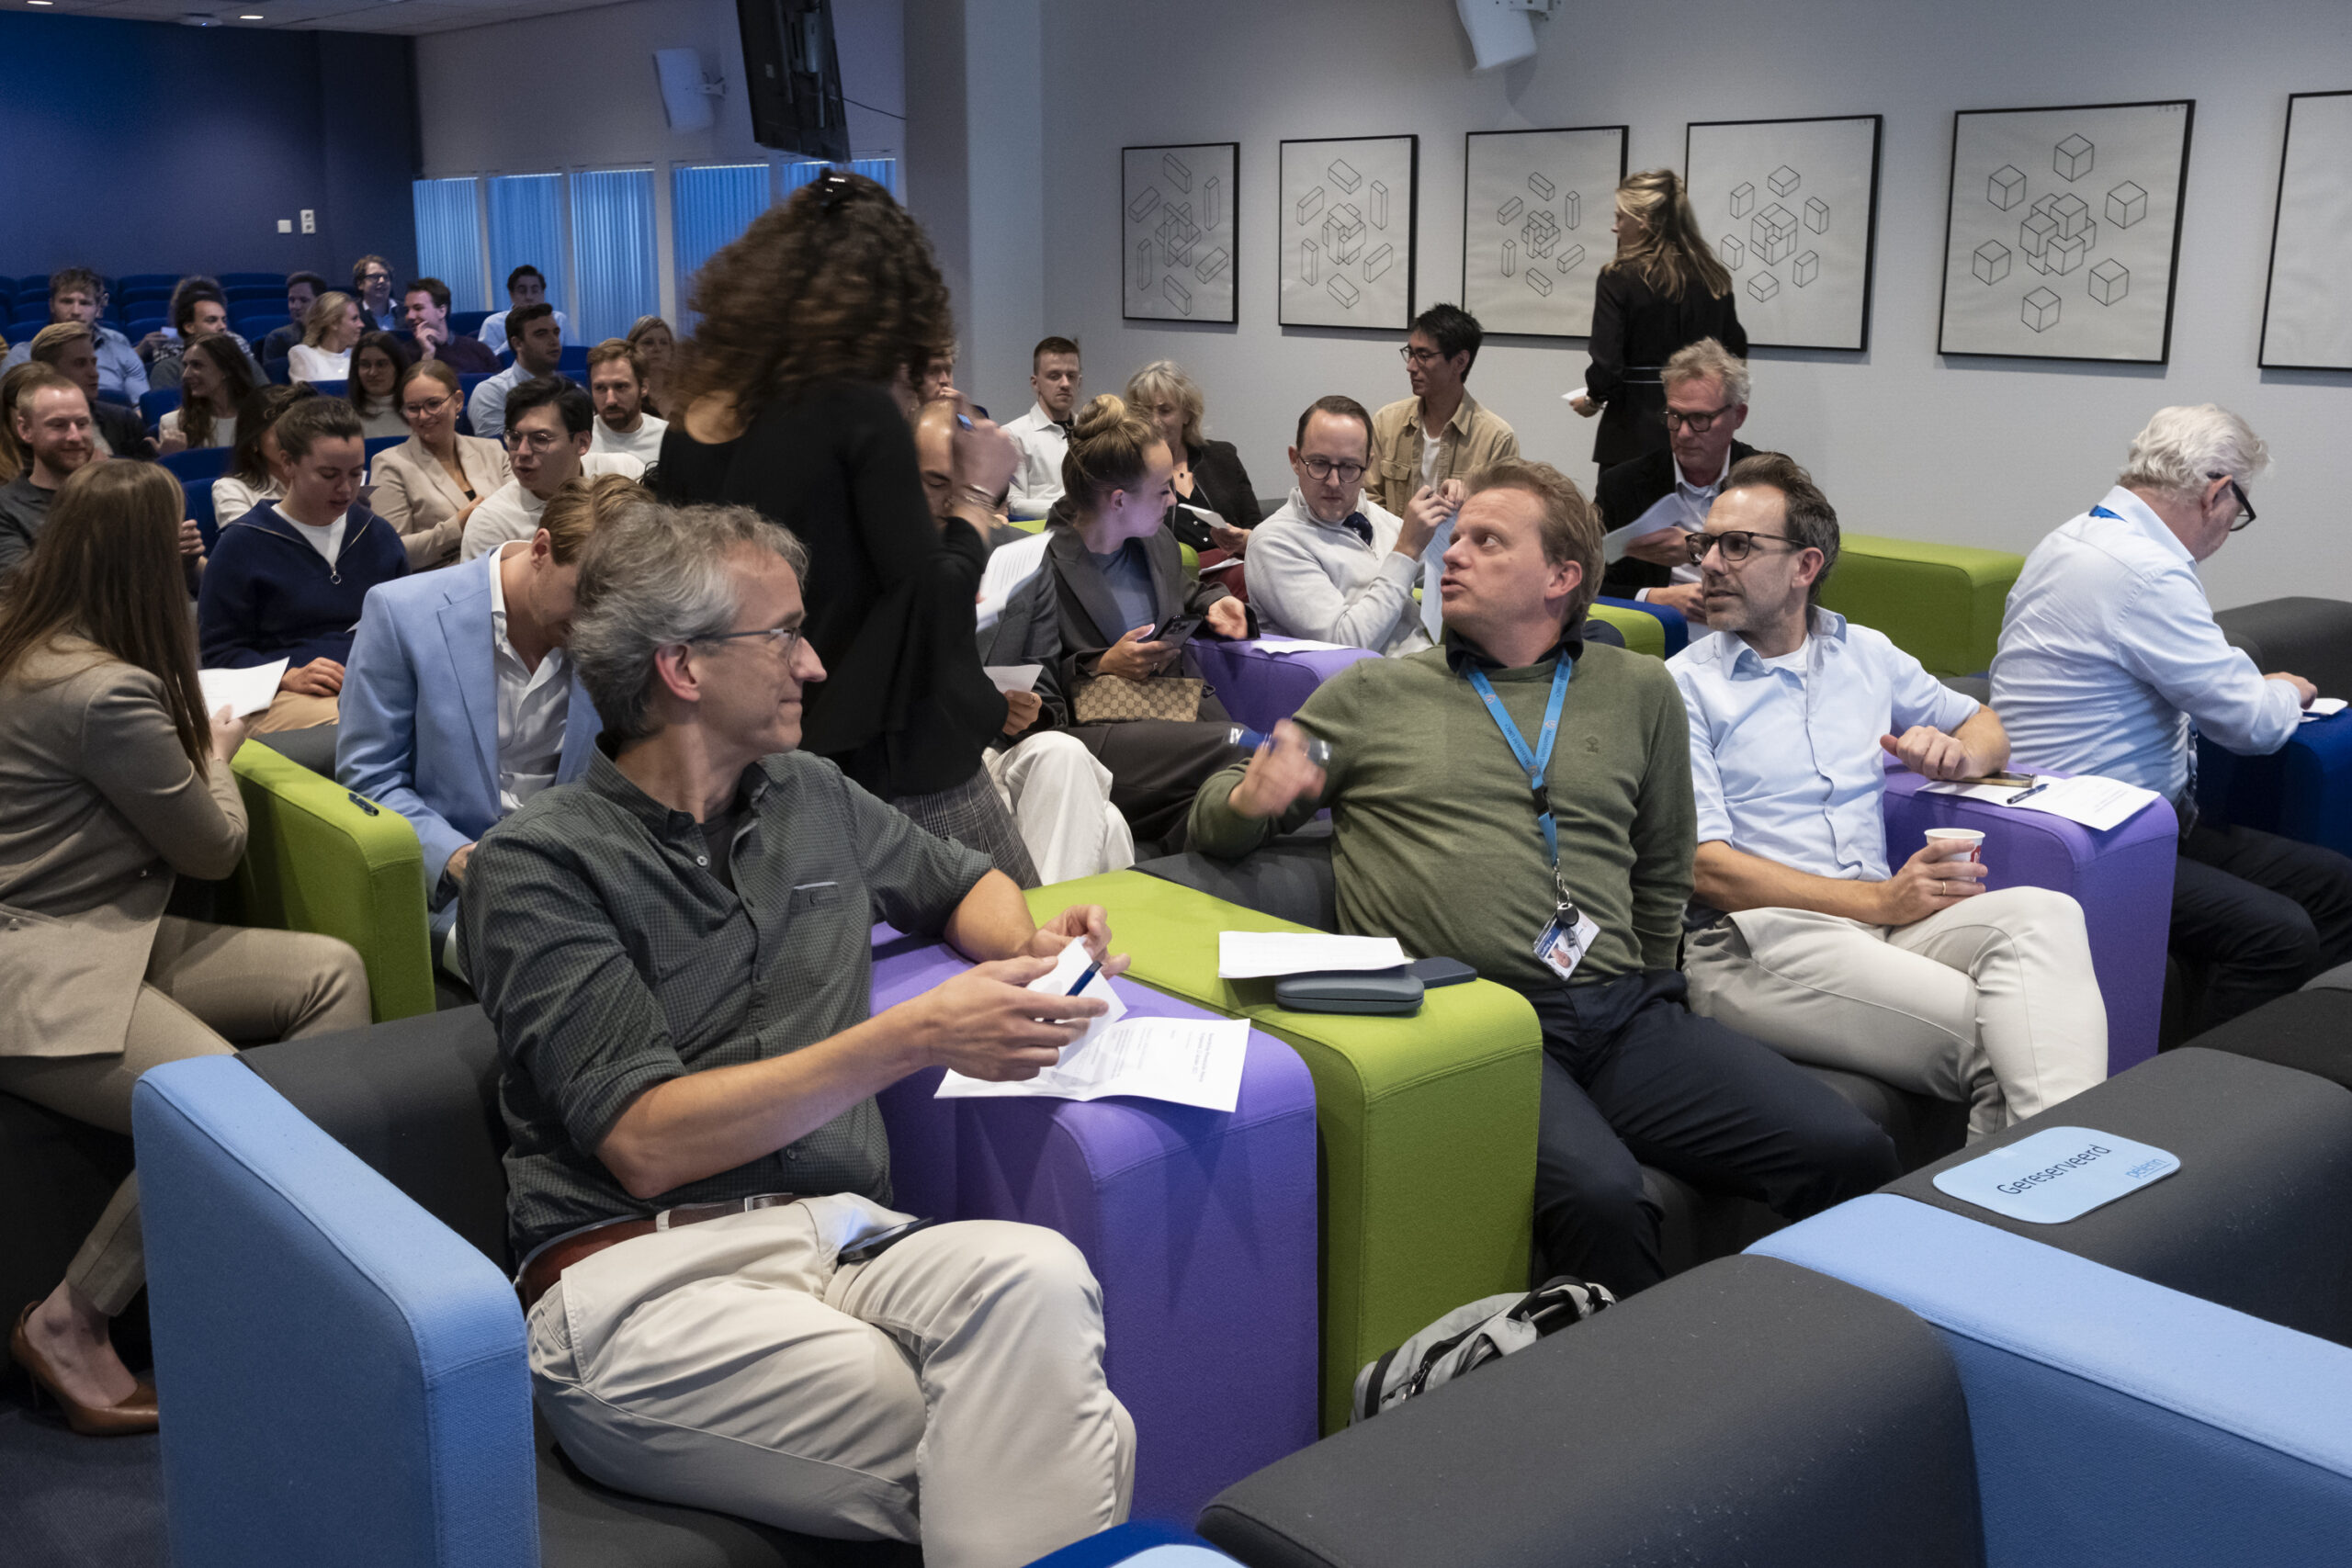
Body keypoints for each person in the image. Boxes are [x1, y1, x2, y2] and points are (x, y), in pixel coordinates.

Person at [456, 499, 1133, 1563]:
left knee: (1038, 1274)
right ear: (682, 667)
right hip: (641, 1277)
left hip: (843, 1237)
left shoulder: (810, 792)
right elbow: (646, 1141)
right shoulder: (541, 864)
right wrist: (916, 1036)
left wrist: (1031, 943)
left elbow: (961, 883)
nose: (813, 665)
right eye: (783, 636)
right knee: (1057, 1429)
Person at [1189, 458, 1896, 1297]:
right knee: (1605, 1197)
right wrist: (1251, 796)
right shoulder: (1371, 695)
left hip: (1626, 1013)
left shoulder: (1638, 688)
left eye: (1488, 541)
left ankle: (1829, 1350)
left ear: (1561, 577)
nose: (1453, 553)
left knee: (1851, 1148)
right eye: (1457, 538)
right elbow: (1216, 815)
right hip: (1479, 1019)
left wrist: (1651, 978)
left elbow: (1663, 861)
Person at [0, 460, 368, 1437]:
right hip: (37, 962)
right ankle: (68, 1321)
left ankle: (293, 1257)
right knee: (226, 1116)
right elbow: (214, 845)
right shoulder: (102, 690)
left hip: (102, 930)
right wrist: (215, 749)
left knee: (330, 975)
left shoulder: (30, 642)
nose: (190, 550)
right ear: (142, 560)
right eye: (175, 539)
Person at [1669, 454, 2107, 1137]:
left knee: (2045, 915)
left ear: (1805, 565)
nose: (1710, 564)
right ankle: (2057, 1185)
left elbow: (1985, 722)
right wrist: (1878, 902)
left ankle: (2053, 1181)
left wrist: (1961, 754)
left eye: (1737, 545)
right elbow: (1707, 869)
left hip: (1878, 924)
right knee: (2017, 1041)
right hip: (1758, 939)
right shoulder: (1683, 687)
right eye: (1705, 544)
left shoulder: (1864, 653)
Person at [655, 169, 1039, 885]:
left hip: (751, 754)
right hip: (894, 756)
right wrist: (976, 494)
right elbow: (931, 607)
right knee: (1026, 936)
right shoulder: (855, 411)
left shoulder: (692, 425)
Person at [1993, 405, 2352, 1031]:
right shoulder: (2146, 573)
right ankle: (2204, 1081)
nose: (2231, 526)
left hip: (2100, 813)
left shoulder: (2074, 537)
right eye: (2239, 511)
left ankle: (2290, 1055)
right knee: (2279, 936)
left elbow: (2194, 680)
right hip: (2094, 835)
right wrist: (2286, 691)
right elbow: (2251, 725)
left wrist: (2243, 686)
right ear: (2217, 493)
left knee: (2336, 885)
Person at [340, 473, 637, 966]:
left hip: (580, 875)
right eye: (585, 596)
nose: (597, 622)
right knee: (560, 966)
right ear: (541, 550)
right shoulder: (402, 613)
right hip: (452, 889)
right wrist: (457, 858)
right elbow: (369, 779)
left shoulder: (616, 629)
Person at [914, 400, 1136, 883]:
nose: (953, 504)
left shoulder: (1021, 558)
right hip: (927, 774)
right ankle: (1053, 928)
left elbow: (1048, 692)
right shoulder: (885, 565)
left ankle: (1040, 926)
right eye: (935, 483)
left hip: (1000, 753)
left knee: (1062, 752)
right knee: (1110, 826)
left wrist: (1027, 711)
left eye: (968, 487)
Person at [1037, 395, 1255, 853]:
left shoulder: (1156, 543)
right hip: (1097, 728)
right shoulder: (1042, 565)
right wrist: (1100, 665)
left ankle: (1166, 867)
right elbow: (1031, 686)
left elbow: (1185, 590)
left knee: (1223, 799)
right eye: (1161, 490)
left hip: (1171, 713)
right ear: (1119, 500)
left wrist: (1216, 601)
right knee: (1245, 747)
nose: (1173, 499)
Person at [197, 397, 409, 732]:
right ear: (288, 463)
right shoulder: (242, 545)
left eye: (356, 473)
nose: (346, 489)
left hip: (372, 681)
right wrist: (286, 675)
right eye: (328, 474)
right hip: (286, 694)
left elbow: (404, 627)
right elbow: (221, 654)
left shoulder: (375, 532)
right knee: (371, 725)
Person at [1569, 171, 1747, 471]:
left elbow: (1608, 365)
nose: (1615, 227)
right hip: (1702, 432)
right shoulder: (1713, 277)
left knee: (1625, 502)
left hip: (1632, 431)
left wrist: (1593, 400)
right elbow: (1735, 353)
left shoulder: (1618, 277)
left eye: (1620, 217)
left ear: (1643, 221)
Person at [1248, 395, 1443, 657]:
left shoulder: (1376, 518)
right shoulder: (1275, 542)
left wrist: (1461, 518)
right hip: (1366, 677)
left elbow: (1447, 575)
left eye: (1349, 467)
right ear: (1295, 459)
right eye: (1319, 464)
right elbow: (1345, 644)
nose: (1333, 482)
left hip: (1426, 662)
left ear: (1368, 466)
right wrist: (1405, 551)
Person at [1595, 338, 1761, 625]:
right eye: (1674, 416)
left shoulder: (1766, 481)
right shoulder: (1623, 485)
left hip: (1746, 627)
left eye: (1700, 418)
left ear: (1738, 415)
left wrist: (1698, 549)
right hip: (1660, 632)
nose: (1683, 433)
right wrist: (1653, 598)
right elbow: (1584, 579)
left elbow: (1791, 567)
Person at [462, 377, 645, 562]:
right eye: (515, 438)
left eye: (540, 439)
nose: (522, 452)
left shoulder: (625, 472)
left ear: (582, 442)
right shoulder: (491, 522)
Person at [1369, 303, 1520, 518]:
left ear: (1460, 362)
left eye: (1423, 356)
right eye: (1410, 353)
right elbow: (1369, 499)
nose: (1410, 366)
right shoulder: (1387, 422)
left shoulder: (1496, 439)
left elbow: (1501, 516)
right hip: (1394, 538)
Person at [371, 360, 512, 570]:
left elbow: (520, 512)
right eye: (413, 408)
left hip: (506, 568)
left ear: (458, 401)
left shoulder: (492, 450)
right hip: (443, 579)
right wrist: (456, 528)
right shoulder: (390, 464)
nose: (423, 415)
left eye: (433, 404)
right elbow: (391, 550)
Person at [0, 369, 97, 577]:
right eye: (58, 425)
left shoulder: (116, 493)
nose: (75, 436)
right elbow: (20, 585)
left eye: (82, 424)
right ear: (25, 430)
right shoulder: (6, 506)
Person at [0, 268, 147, 403]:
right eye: (67, 301)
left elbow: (140, 407)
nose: (75, 311)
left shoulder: (123, 353)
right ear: (52, 306)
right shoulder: (20, 356)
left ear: (98, 309)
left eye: (85, 303)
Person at [28, 324, 152, 461]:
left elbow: (149, 471)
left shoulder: (125, 420)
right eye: (80, 364)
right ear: (49, 371)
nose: (94, 373)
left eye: (93, 362)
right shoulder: (31, 428)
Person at [210, 383, 315, 526]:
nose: (296, 441)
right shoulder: (232, 489)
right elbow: (245, 539)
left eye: (303, 430)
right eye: (283, 433)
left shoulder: (323, 480)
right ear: (254, 441)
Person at [468, 302, 565, 443]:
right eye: (541, 334)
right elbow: (497, 449)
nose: (554, 341)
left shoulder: (572, 390)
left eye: (556, 333)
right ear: (517, 343)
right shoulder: (491, 392)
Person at [143, 279, 264, 392]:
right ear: (190, 327)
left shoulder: (246, 363)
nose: (222, 326)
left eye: (224, 320)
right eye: (211, 320)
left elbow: (268, 401)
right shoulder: (169, 369)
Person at [1004, 337, 1083, 508]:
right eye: (1054, 376)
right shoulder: (1014, 434)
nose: (1065, 384)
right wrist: (1073, 510)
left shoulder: (1091, 431)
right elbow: (1013, 503)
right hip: (1043, 523)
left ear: (1079, 382)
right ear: (1035, 383)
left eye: (1071, 376)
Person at [155, 334, 254, 455]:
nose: (185, 375)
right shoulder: (173, 425)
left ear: (226, 370)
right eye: (185, 366)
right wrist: (174, 458)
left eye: (197, 365)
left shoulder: (261, 418)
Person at [586, 340, 669, 466]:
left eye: (620, 387)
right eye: (600, 388)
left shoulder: (667, 439)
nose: (610, 400)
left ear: (644, 387)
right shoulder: (579, 441)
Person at [400, 277, 501, 374]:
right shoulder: (403, 355)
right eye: (406, 310)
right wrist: (427, 354)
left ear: (442, 311)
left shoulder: (478, 350)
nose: (409, 316)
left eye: (418, 308)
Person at [477, 265, 567, 355]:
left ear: (543, 294)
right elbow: (485, 361)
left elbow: (572, 355)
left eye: (535, 291)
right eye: (522, 291)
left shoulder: (559, 319)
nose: (529, 297)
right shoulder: (493, 324)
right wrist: (519, 337)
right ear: (511, 295)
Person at [346, 332, 414, 439]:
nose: (372, 372)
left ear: (398, 368)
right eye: (365, 365)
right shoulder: (343, 417)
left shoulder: (418, 413)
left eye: (381, 364)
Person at [288, 291, 365, 385]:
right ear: (333, 323)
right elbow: (310, 393)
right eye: (354, 319)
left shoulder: (360, 355)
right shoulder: (303, 354)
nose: (361, 325)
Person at [258, 272, 326, 367]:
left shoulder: (335, 335)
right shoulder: (278, 339)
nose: (295, 306)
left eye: (304, 300)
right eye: (292, 300)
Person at [626, 315, 675, 417]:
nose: (657, 348)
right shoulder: (626, 395)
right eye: (648, 342)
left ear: (672, 350)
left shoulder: (683, 395)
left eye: (664, 343)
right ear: (632, 349)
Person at [351, 254, 400, 333]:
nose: (382, 281)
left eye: (386, 277)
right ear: (360, 284)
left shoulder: (405, 311)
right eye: (375, 277)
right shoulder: (352, 314)